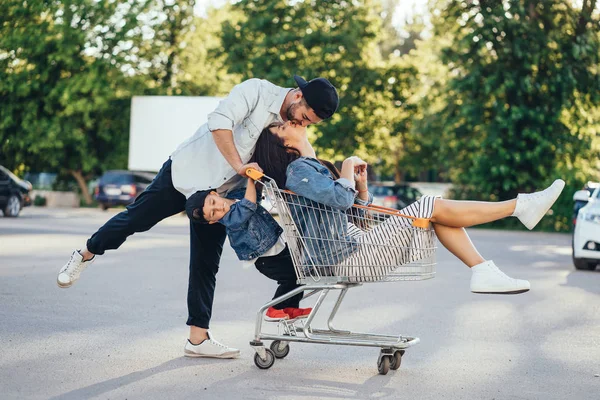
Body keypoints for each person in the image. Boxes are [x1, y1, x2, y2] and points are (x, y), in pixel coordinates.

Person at [56, 75, 339, 358]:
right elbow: (219, 123)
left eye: (309, 124)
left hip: (221, 197)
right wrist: (239, 166)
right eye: (304, 118)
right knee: (135, 219)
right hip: (186, 174)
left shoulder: (293, 123)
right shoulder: (257, 91)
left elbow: (306, 162)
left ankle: (197, 338)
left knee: (206, 262)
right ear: (298, 96)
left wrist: (304, 147)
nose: (303, 124)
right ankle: (85, 253)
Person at [251, 122, 566, 293]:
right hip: (348, 258)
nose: (291, 123)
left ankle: (484, 270)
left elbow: (350, 215)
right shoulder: (298, 171)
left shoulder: (308, 169)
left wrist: (361, 189)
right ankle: (520, 206)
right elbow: (339, 199)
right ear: (283, 144)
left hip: (358, 247)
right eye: (282, 126)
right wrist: (347, 168)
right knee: (430, 204)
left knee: (437, 212)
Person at [184, 176, 312, 321]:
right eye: (213, 213)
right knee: (291, 277)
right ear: (213, 221)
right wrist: (251, 179)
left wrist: (259, 180)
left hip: (277, 248)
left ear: (214, 194)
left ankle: (290, 307)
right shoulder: (231, 220)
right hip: (266, 259)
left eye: (213, 203)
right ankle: (274, 309)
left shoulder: (236, 196)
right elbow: (249, 204)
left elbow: (255, 196)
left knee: (300, 274)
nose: (218, 208)